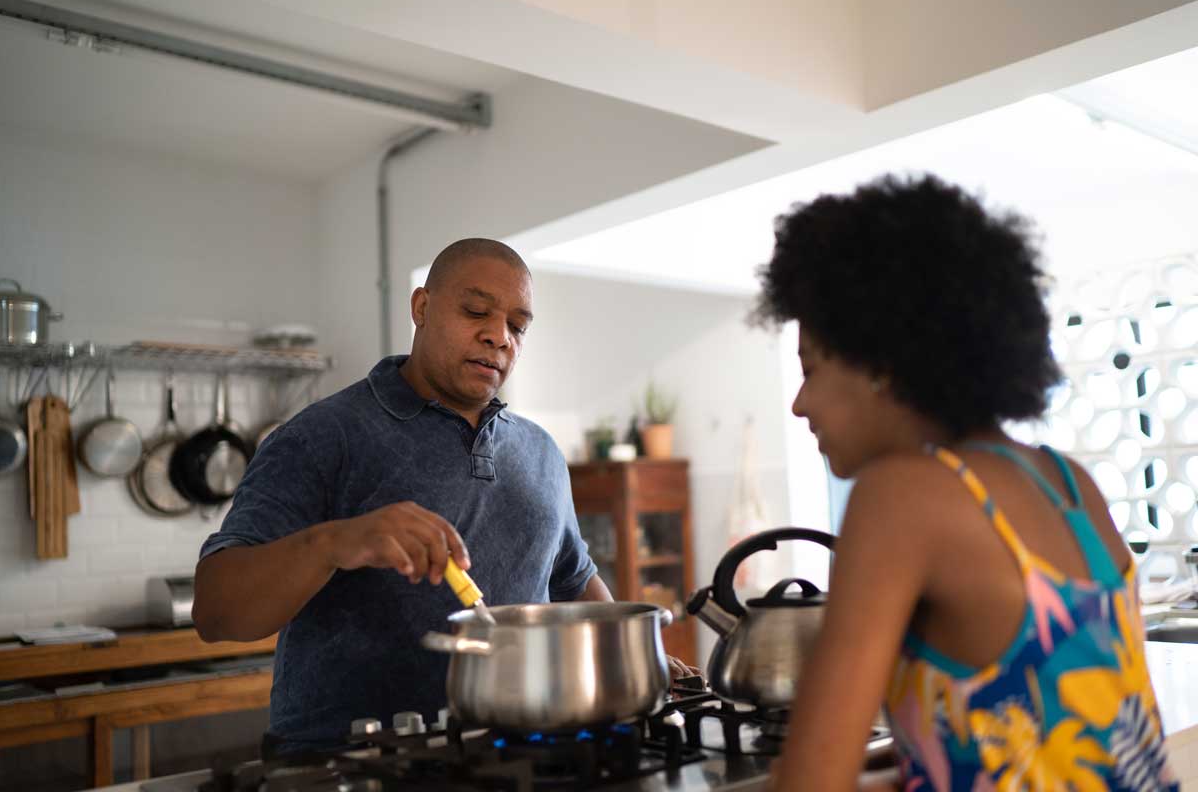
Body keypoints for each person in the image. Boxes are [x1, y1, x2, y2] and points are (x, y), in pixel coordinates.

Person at [756, 176, 1177, 791]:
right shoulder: (1067, 482)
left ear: (882, 362)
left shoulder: (898, 496)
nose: (799, 404)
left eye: (811, 369)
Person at [193, 238, 690, 755]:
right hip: (349, 767)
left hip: (518, 756)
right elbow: (215, 611)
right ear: (421, 308)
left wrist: (638, 659)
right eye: (476, 310)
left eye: (518, 326)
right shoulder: (322, 437)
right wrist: (335, 542)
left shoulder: (540, 451)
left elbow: (572, 578)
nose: (499, 336)